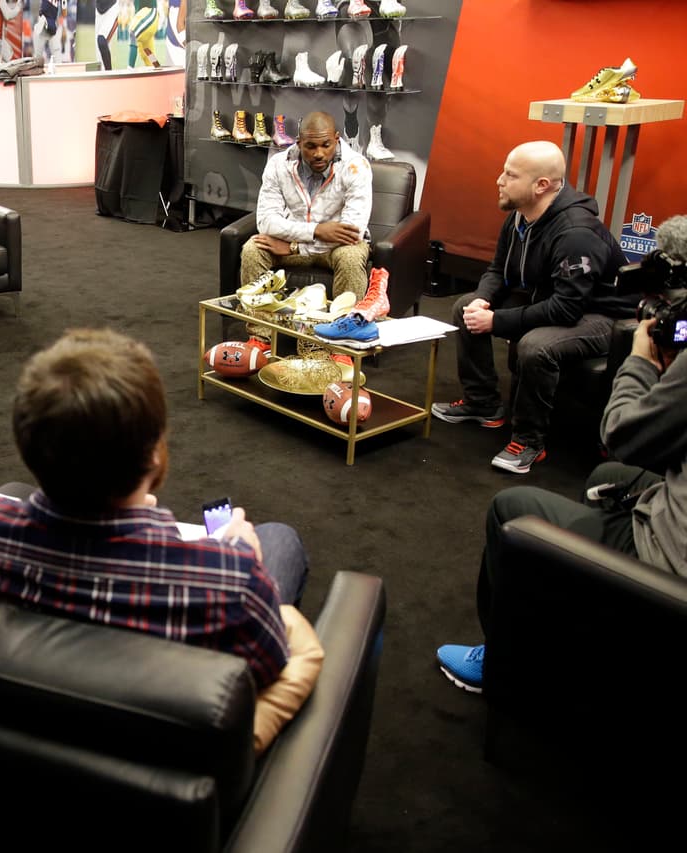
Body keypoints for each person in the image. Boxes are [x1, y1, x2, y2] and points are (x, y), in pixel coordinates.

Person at [0, 328, 324, 753]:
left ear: (25, 445)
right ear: (156, 453)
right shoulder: (232, 585)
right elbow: (272, 669)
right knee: (278, 540)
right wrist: (243, 560)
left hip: (26, 742)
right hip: (173, 768)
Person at [435, 228, 687, 692]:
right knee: (606, 478)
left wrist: (642, 363)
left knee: (509, 509)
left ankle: (503, 662)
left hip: (675, 559)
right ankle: (592, 613)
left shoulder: (576, 236)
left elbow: (622, 436)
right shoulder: (516, 226)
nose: (500, 181)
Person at [430, 140, 639, 474]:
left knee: (536, 346)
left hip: (603, 315)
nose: (499, 180)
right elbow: (498, 270)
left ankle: (529, 440)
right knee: (466, 306)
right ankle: (482, 403)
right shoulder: (520, 216)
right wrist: (484, 299)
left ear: (542, 185)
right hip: (550, 297)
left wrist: (496, 321)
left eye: (510, 175)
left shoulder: (575, 233)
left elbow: (566, 310)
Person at [240, 110, 373, 304]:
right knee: (253, 250)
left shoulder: (356, 166)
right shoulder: (278, 165)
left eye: (326, 145)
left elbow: (351, 232)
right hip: (296, 240)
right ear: (299, 142)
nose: (319, 154)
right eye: (310, 146)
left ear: (336, 139)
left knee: (351, 257)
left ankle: (343, 330)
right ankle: (261, 333)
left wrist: (296, 247)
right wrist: (317, 231)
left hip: (335, 248)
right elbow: (266, 222)